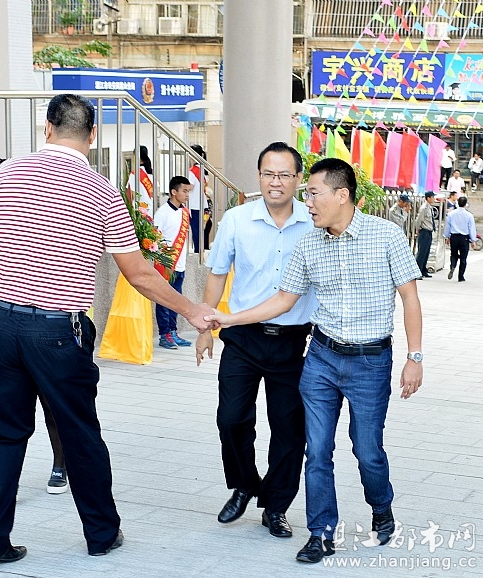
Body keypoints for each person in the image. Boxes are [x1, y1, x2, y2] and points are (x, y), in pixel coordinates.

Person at [0, 93, 213, 569]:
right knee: (80, 433)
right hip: (58, 331)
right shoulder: (102, 191)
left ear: (46, 128)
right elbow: (138, 273)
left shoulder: (6, 174)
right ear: (93, 135)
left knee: (5, 434)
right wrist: (191, 309)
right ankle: (100, 534)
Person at [206, 157, 423, 565]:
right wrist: (228, 319)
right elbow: (283, 300)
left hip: (370, 362)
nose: (307, 203)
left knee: (367, 451)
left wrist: (415, 357)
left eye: (313, 194)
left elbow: (410, 297)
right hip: (321, 359)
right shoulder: (308, 245)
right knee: (317, 451)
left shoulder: (387, 236)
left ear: (342, 195)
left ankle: (381, 506)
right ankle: (320, 532)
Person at [195, 142, 317, 539]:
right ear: (259, 176)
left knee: (289, 430)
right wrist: (205, 328)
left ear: (298, 179)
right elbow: (217, 273)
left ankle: (276, 506)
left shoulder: (314, 222)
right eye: (268, 174)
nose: (275, 182)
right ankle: (245, 484)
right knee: (231, 419)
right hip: (242, 337)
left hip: (294, 342)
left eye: (284, 174)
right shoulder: (236, 219)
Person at [0, 158, 68, 495]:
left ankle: (60, 464)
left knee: (49, 406)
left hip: (38, 322)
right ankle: (7, 485)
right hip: (1, 319)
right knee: (9, 415)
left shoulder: (31, 217)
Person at [153, 175, 193, 349]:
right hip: (166, 265)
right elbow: (154, 238)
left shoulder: (185, 212)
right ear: (173, 192)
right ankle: (164, 334)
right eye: (184, 191)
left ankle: (174, 332)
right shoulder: (162, 213)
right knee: (163, 300)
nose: (187, 194)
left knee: (176, 299)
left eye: (188, 191)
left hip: (180, 264)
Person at [444, 196, 477, 282]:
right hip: (464, 238)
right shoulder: (469, 215)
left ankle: (452, 266)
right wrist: (473, 240)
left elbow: (448, 226)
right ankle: (461, 276)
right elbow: (471, 228)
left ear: (457, 203)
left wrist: (447, 236)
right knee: (463, 258)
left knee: (453, 254)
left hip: (454, 237)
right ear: (465, 204)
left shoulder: (451, 214)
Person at [188, 144, 210, 252]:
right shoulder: (204, 170)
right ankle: (202, 252)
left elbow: (190, 187)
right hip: (203, 204)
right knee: (202, 230)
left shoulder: (192, 171)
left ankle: (198, 253)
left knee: (196, 231)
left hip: (194, 205)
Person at [126, 145, 154, 216]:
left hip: (139, 213)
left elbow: (130, 195)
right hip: (152, 212)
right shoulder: (152, 173)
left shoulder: (134, 174)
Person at [414, 191, 436, 279]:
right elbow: (419, 220)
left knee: (426, 252)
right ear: (428, 198)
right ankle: (417, 272)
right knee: (422, 252)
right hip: (424, 231)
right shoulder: (424, 208)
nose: (434, 199)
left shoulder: (429, 207)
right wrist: (417, 229)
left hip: (429, 232)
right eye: (432, 197)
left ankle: (423, 270)